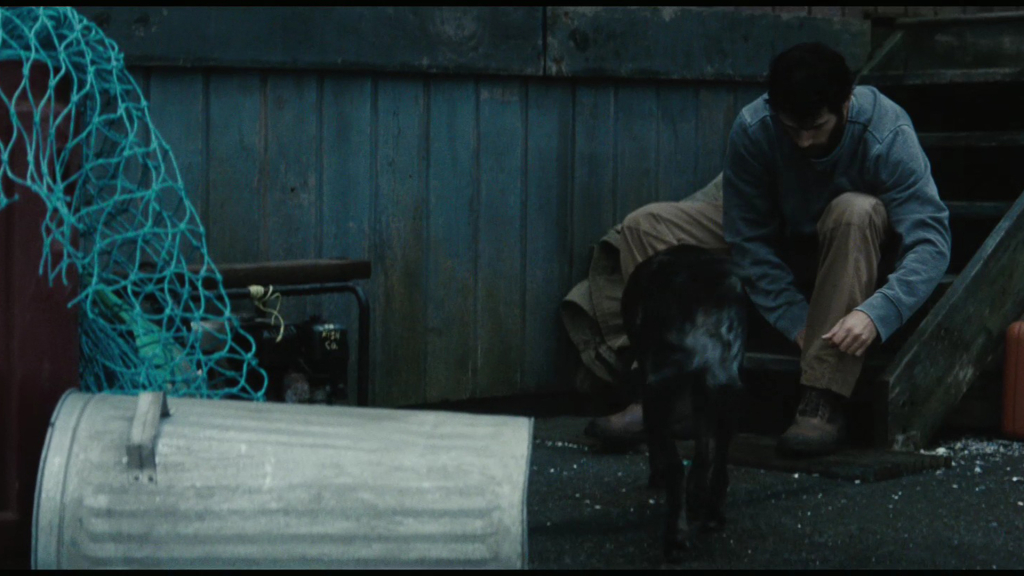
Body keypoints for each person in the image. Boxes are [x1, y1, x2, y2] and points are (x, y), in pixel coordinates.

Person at [581, 41, 951, 457]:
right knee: (645, 227)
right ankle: (674, 391)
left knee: (855, 210)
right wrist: (793, 319)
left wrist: (878, 313)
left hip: (851, 249)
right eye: (793, 129)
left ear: (845, 103)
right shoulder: (756, 126)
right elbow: (748, 238)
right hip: (782, 238)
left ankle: (822, 398)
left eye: (816, 127)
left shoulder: (885, 130)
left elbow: (932, 241)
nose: (804, 141)